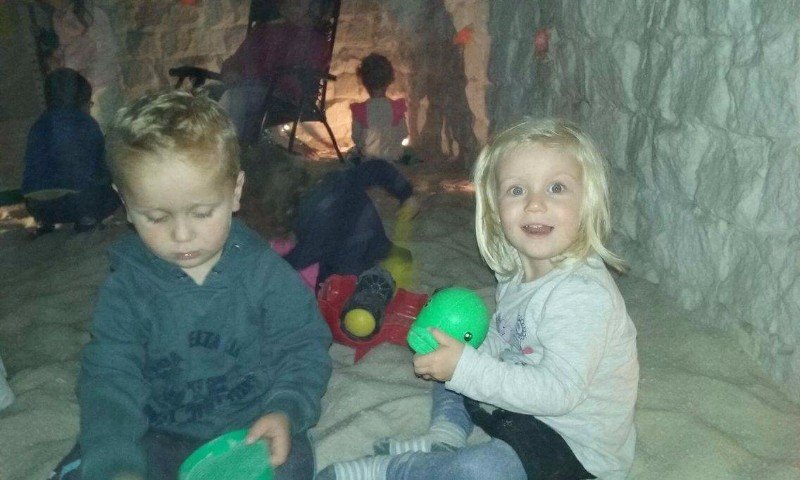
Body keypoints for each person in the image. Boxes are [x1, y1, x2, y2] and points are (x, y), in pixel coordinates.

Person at [318, 118, 640, 480]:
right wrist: (465, 356)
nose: (535, 204)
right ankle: (445, 435)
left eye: (556, 188)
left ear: (587, 202)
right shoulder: (519, 272)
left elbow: (559, 393)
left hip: (571, 447)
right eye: (517, 190)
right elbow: (505, 340)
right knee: (456, 347)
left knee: (479, 469)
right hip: (518, 406)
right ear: (496, 210)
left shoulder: (582, 296)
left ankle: (397, 469)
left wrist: (466, 368)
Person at [48, 91, 332, 480]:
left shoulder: (265, 274)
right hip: (157, 432)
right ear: (125, 203)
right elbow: (110, 379)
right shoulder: (126, 290)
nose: (181, 235)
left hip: (248, 428)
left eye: (201, 213)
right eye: (156, 217)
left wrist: (285, 408)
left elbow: (303, 346)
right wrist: (116, 461)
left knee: (290, 461)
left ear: (235, 192)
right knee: (96, 463)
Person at [239, 142, 420, 291]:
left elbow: (301, 258)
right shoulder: (335, 179)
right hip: (376, 245)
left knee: (319, 292)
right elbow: (378, 168)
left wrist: (267, 266)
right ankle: (391, 255)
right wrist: (407, 194)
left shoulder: (309, 218)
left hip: (350, 273)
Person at [21, 67, 119, 235]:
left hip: (36, 206)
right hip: (77, 203)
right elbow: (102, 164)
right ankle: (86, 219)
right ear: (82, 101)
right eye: (89, 103)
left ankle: (44, 223)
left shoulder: (38, 125)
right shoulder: (86, 123)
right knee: (113, 196)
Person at [218, 0, 330, 143]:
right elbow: (237, 60)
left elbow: (305, 76)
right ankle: (226, 145)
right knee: (211, 92)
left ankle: (229, 147)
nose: (290, 7)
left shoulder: (315, 40)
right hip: (248, 88)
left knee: (236, 98)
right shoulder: (263, 31)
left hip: (283, 97)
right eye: (287, 3)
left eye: (297, 4)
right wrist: (230, 71)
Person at [42, 0, 124, 130]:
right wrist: (55, 58)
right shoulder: (58, 16)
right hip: (81, 89)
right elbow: (65, 48)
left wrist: (84, 75)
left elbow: (107, 51)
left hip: (99, 86)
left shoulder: (91, 14)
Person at [349, 53, 412, 165]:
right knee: (408, 151)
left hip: (369, 159)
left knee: (351, 153)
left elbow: (356, 137)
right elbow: (404, 133)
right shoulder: (397, 107)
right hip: (393, 157)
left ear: (364, 82)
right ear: (389, 80)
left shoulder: (360, 110)